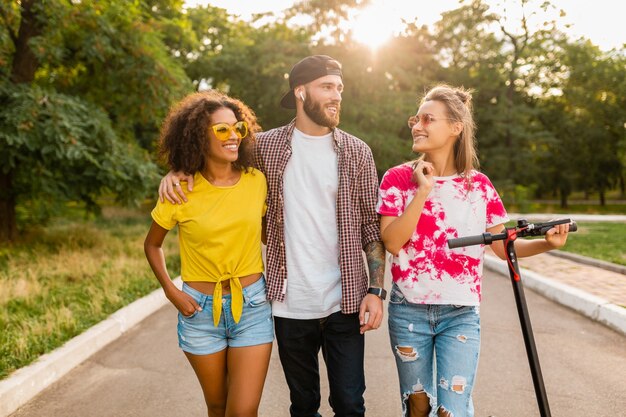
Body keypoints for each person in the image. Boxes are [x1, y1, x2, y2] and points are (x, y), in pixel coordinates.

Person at [159, 55, 386, 417]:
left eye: (339, 88)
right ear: (300, 91)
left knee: (349, 403)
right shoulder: (264, 147)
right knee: (304, 404)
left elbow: (370, 229)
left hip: (345, 301)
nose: (337, 96)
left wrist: (376, 291)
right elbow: (214, 161)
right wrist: (176, 172)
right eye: (327, 86)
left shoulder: (357, 152)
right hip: (287, 302)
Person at [376, 84, 570, 417]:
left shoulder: (478, 186)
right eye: (415, 119)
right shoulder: (397, 179)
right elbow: (392, 242)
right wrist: (423, 191)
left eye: (428, 119)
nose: (417, 126)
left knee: (453, 410)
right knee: (417, 407)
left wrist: (546, 243)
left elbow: (502, 247)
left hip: (460, 315)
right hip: (409, 311)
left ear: (455, 127)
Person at [144, 90, 274, 417]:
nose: (233, 136)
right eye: (221, 129)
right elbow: (152, 244)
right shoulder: (180, 189)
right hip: (199, 313)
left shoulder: (257, 181)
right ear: (198, 137)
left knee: (242, 411)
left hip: (253, 307)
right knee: (217, 407)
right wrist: (171, 292)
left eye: (237, 128)